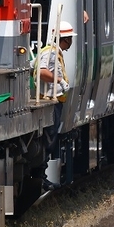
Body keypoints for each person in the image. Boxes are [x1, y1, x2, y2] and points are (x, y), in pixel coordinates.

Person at [35, 20, 76, 189]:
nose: (71, 42)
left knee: (51, 139)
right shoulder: (51, 53)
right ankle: (40, 176)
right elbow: (41, 71)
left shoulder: (55, 53)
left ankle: (41, 175)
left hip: (56, 101)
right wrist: (59, 80)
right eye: (70, 39)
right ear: (65, 39)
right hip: (50, 101)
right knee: (49, 140)